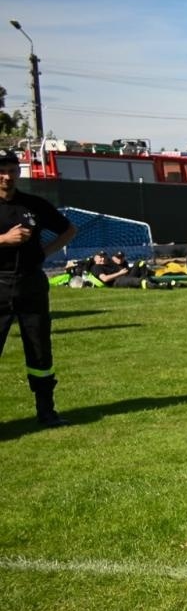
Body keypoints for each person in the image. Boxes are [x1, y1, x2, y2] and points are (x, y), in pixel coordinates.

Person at [0, 148, 77, 426]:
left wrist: (45, 253)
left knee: (39, 349)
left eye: (11, 170)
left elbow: (69, 230)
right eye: (1, 171)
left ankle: (46, 411)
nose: (6, 176)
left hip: (31, 283)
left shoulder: (33, 204)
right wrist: (3, 240)